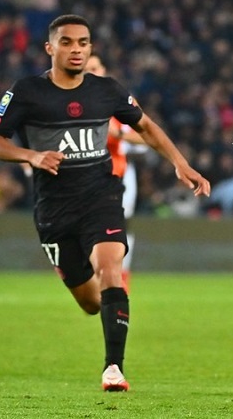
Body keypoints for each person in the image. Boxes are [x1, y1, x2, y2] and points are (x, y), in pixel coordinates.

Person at [0, 14, 211, 392]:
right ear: (50, 47)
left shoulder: (106, 90)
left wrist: (180, 163)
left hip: (101, 197)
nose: (77, 50)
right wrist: (31, 156)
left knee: (111, 271)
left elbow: (147, 127)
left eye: (83, 43)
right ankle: (74, 275)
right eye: (68, 42)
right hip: (54, 209)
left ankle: (113, 368)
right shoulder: (25, 92)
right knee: (90, 302)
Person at [84, 54, 148, 292]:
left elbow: (145, 137)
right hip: (84, 176)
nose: (90, 72)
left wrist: (119, 134)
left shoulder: (117, 100)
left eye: (94, 67)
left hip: (117, 174)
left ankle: (122, 277)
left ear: (103, 69)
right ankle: (94, 275)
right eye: (86, 68)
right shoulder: (71, 103)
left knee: (120, 226)